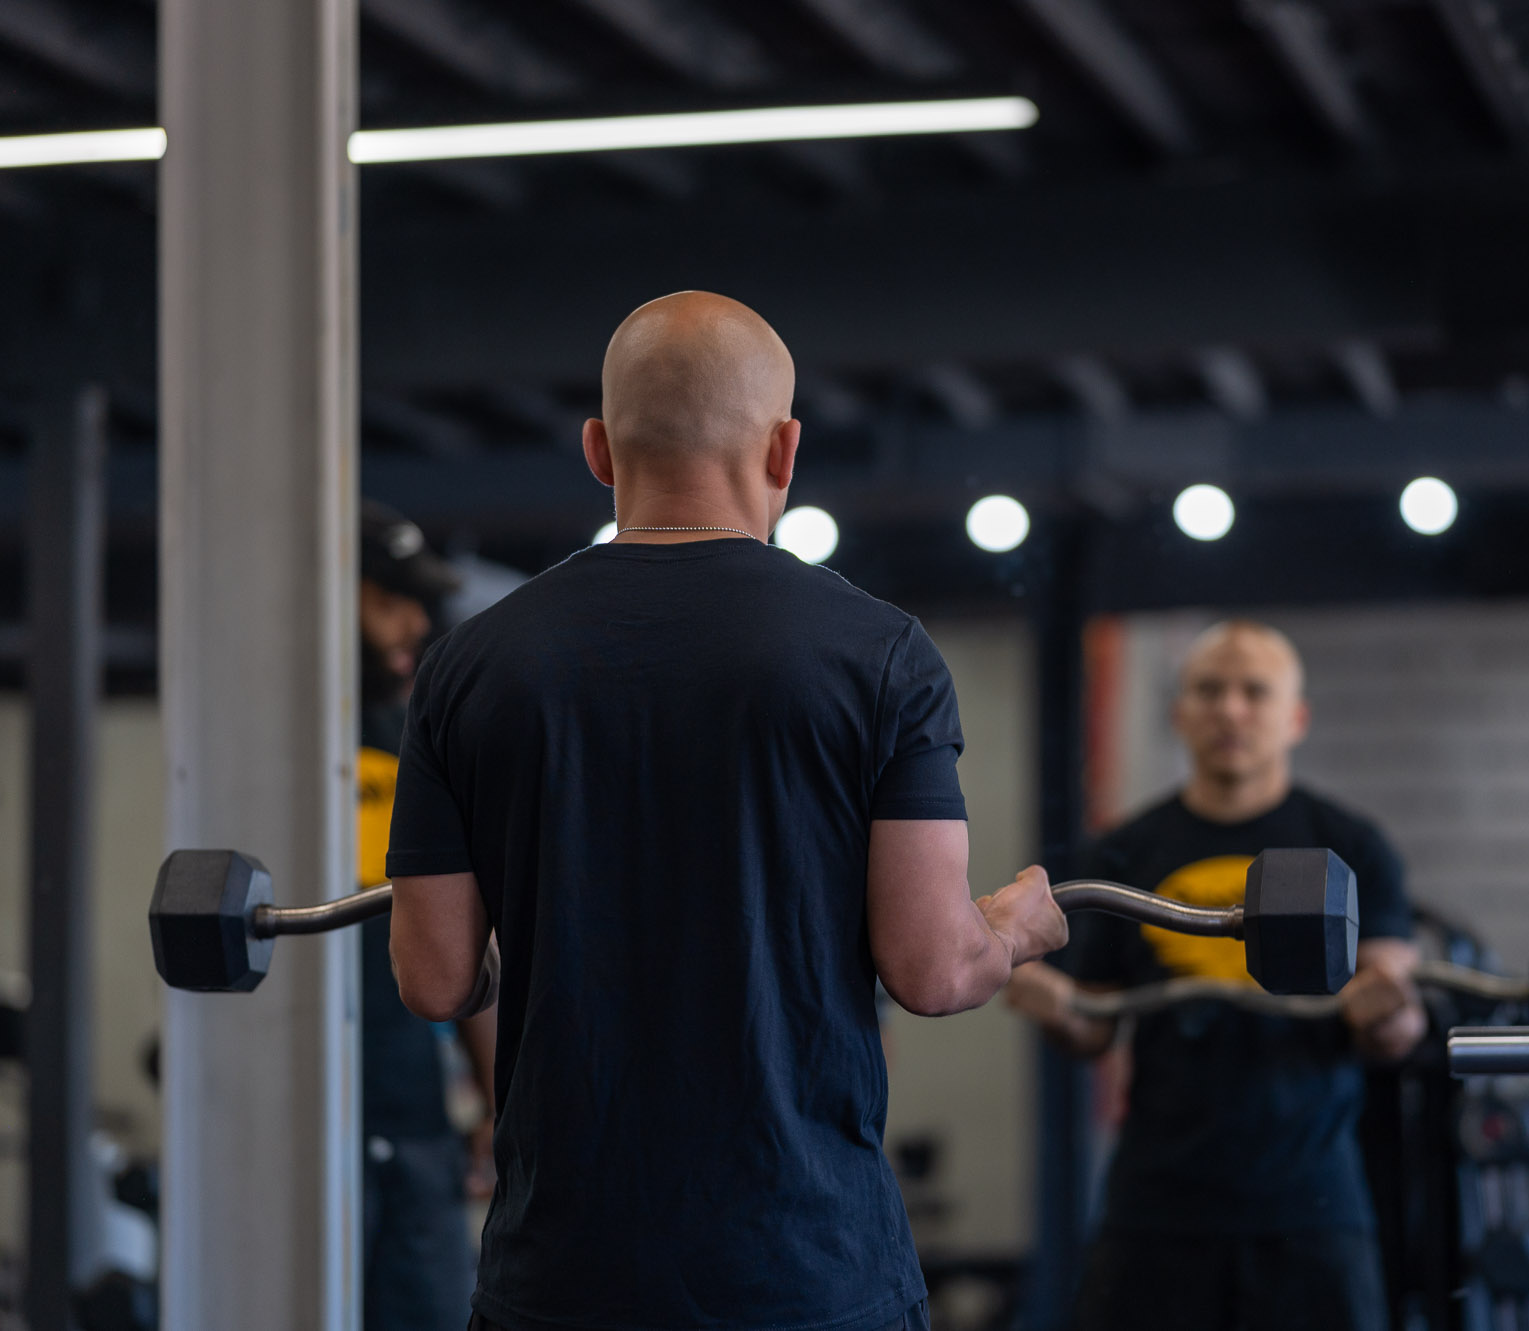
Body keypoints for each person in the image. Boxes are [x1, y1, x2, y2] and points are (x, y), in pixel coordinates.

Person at [381, 291, 1070, 1331]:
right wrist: (1020, 923)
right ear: (785, 449)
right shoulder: (879, 656)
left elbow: (433, 976)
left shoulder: (468, 666)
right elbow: (932, 968)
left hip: (562, 1281)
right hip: (804, 1274)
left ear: (598, 450)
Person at [1006, 620, 1426, 1331]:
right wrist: (1055, 1004)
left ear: (1294, 718)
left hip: (1310, 1203)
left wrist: (1389, 1009)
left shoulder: (1350, 845)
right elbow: (1094, 1030)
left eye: (1254, 692)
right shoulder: (1123, 852)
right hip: (1160, 1201)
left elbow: (1393, 1024)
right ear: (1179, 713)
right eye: (1209, 690)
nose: (1230, 709)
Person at [356, 500, 498, 1331]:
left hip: (413, 1120)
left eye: (417, 598)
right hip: (284, 1114)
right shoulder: (254, 747)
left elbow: (468, 933)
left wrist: (494, 1099)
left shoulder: (410, 739)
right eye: (386, 598)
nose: (412, 621)